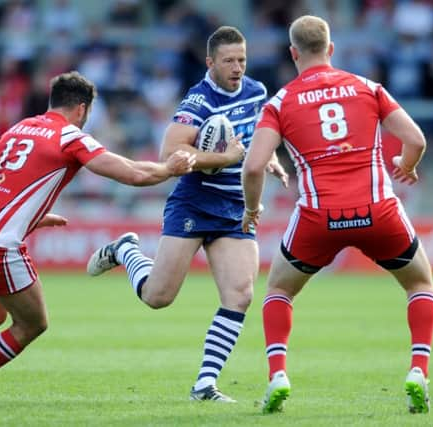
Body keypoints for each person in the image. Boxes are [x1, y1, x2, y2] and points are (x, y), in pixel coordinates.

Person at [0, 71, 195, 404]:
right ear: (82, 110)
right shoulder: (70, 136)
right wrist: (171, 168)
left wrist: (31, 217)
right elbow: (133, 173)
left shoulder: (16, 130)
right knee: (33, 323)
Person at [241, 15, 433, 414]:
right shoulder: (368, 88)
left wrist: (251, 209)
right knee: (420, 284)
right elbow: (415, 139)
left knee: (279, 290)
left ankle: (278, 374)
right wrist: (407, 164)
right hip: (378, 210)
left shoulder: (280, 103)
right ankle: (418, 370)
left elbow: (253, 167)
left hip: (319, 216)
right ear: (331, 49)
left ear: (293, 53)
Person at [87, 26, 287, 403]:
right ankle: (127, 250)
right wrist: (226, 158)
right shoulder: (198, 101)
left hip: (234, 208)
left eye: (242, 59)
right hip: (195, 202)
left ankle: (204, 384)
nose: (237, 67)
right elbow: (172, 155)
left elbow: (257, 135)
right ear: (210, 63)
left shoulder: (257, 92)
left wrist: (269, 158)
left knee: (240, 295)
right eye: (229, 60)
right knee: (158, 297)